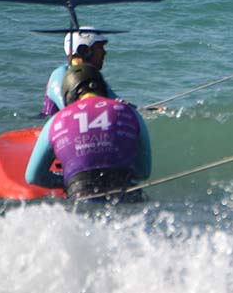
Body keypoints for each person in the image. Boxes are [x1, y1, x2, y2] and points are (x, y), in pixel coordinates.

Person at [25, 62, 152, 202]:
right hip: (125, 195)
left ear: (69, 95)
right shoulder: (130, 112)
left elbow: (32, 177)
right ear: (103, 88)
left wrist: (68, 181)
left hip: (81, 195)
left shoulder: (54, 122)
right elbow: (143, 172)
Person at [41, 28, 115, 117]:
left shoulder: (93, 76)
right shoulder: (59, 75)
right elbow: (68, 106)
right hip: (52, 125)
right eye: (99, 47)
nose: (104, 52)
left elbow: (114, 101)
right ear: (85, 51)